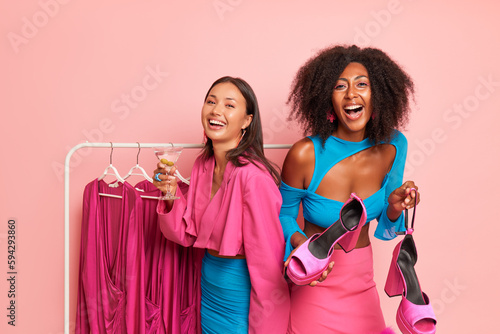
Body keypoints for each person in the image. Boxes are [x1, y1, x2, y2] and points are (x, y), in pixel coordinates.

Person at [279, 45, 420, 334]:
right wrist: (300, 245)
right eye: (340, 86)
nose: (351, 94)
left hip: (361, 280)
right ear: (327, 98)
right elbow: (281, 215)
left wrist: (395, 206)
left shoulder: (394, 147)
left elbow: (387, 226)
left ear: (377, 94)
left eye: (362, 85)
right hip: (315, 276)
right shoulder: (305, 154)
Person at [153, 76, 290, 334]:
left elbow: (267, 266)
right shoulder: (203, 165)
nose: (216, 110)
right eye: (211, 102)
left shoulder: (254, 178)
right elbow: (185, 234)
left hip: (241, 295)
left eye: (229, 105)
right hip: (207, 285)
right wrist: (170, 192)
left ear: (247, 121)